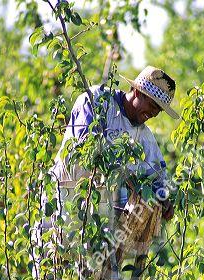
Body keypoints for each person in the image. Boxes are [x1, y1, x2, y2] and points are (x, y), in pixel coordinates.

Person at [50, 65, 179, 224]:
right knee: (54, 246)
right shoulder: (97, 100)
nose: (153, 114)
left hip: (97, 218)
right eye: (153, 105)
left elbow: (157, 178)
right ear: (138, 92)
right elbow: (83, 151)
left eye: (158, 110)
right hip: (63, 196)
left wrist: (163, 200)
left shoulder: (145, 138)